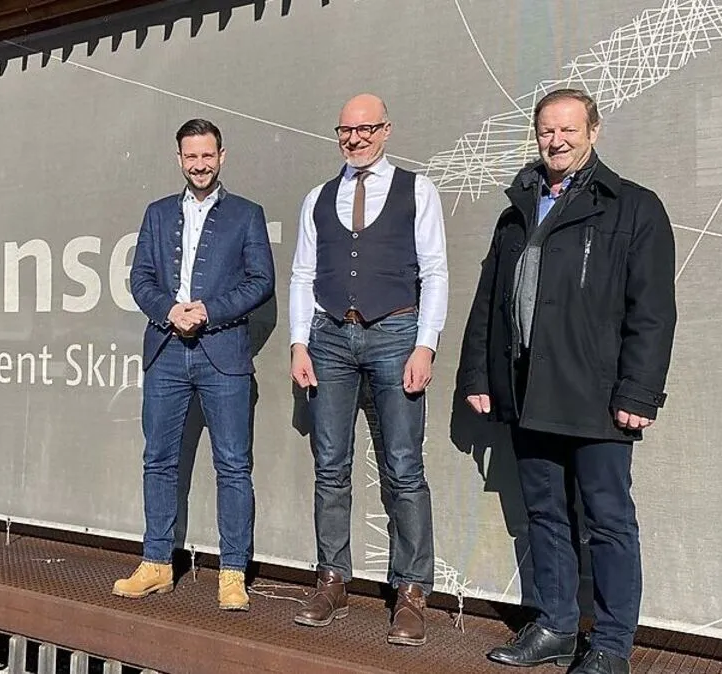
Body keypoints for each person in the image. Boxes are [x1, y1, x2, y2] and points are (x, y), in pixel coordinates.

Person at [458, 88, 676, 674]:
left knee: (608, 521)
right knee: (546, 514)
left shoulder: (632, 207)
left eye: (568, 130)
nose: (556, 141)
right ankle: (555, 627)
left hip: (597, 397)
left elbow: (653, 312)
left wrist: (638, 392)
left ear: (593, 132)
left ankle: (610, 646)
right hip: (528, 390)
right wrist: (480, 374)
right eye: (546, 131)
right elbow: (490, 301)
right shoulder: (517, 210)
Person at [288, 94, 449, 645]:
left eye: (366, 129)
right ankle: (332, 579)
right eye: (345, 131)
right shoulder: (317, 198)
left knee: (403, 466)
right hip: (330, 337)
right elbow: (303, 274)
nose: (355, 139)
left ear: (386, 130)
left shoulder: (417, 190)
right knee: (330, 465)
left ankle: (411, 590)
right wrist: (299, 342)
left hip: (396, 335)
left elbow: (435, 272)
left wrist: (425, 345)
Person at [113, 118, 275, 611]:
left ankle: (233, 572)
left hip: (223, 353)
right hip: (166, 351)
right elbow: (140, 278)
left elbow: (260, 281)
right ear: (179, 159)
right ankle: (157, 564)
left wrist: (207, 310)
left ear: (221, 156)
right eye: (191, 156)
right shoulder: (158, 214)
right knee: (159, 460)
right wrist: (170, 310)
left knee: (233, 465)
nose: (199, 165)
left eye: (207, 155)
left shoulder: (247, 214)